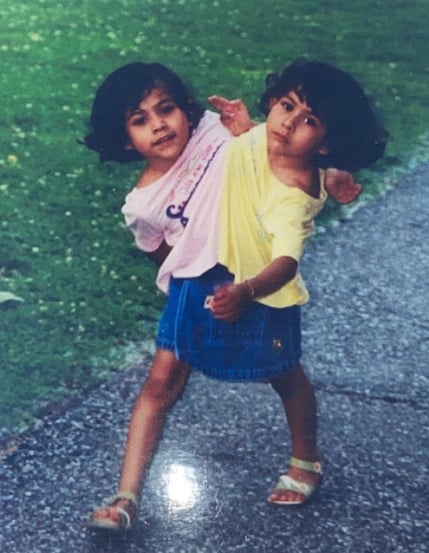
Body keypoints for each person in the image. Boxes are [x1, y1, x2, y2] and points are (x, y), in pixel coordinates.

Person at [82, 60, 383, 531]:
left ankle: (306, 458)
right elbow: (159, 253)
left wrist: (331, 172)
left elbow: (282, 147)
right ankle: (126, 498)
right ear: (124, 140)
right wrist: (187, 281)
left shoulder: (211, 132)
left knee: (284, 372)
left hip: (257, 275)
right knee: (159, 384)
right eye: (140, 120)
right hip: (196, 287)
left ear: (187, 110)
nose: (159, 124)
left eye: (166, 109)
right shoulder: (140, 206)